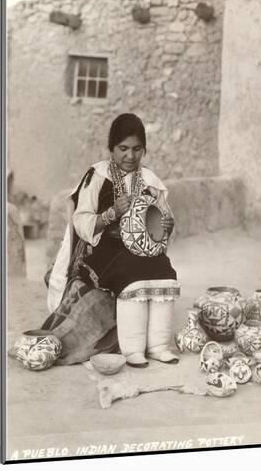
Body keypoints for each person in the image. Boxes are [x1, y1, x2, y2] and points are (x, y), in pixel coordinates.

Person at [47, 113, 181, 367]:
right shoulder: (97, 176)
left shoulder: (150, 180)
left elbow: (164, 223)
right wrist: (111, 214)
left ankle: (158, 346)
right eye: (123, 149)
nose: (130, 156)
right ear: (111, 148)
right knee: (132, 270)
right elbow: (82, 222)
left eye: (137, 149)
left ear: (144, 149)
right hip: (104, 248)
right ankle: (133, 350)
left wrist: (167, 225)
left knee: (165, 269)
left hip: (141, 248)